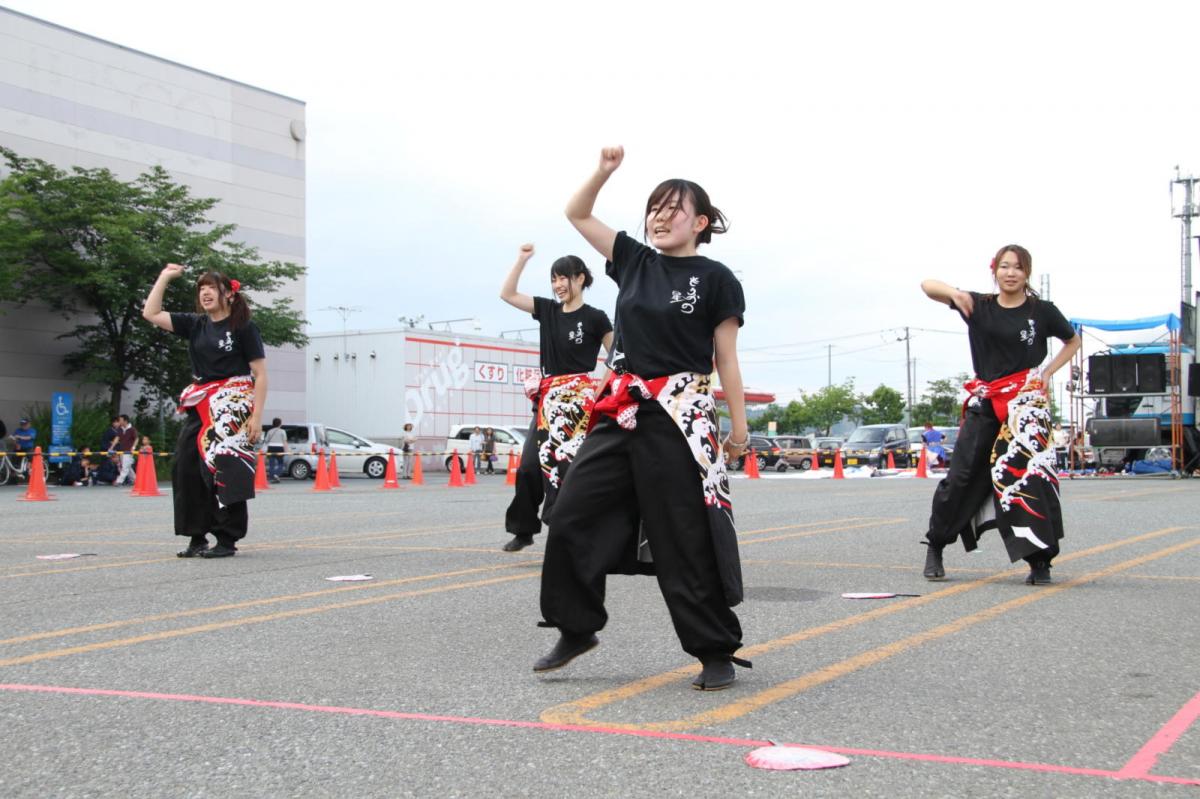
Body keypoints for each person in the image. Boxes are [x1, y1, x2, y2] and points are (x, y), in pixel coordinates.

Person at [535, 146, 750, 691]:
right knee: (570, 511)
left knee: (683, 534)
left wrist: (739, 426)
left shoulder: (716, 277)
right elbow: (577, 213)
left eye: (673, 208)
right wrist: (604, 173)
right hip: (620, 408)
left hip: (679, 415)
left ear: (700, 222)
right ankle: (576, 626)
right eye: (653, 207)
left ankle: (713, 650)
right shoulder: (634, 260)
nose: (658, 216)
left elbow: (725, 358)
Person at [919, 245, 1082, 586]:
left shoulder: (1043, 311)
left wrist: (1048, 373)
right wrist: (955, 294)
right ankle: (936, 544)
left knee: (1029, 479)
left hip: (1025, 407)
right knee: (961, 476)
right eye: (1004, 266)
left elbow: (1072, 341)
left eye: (1018, 268)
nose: (1011, 273)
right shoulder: (978, 305)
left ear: (1027, 273)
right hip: (986, 402)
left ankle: (1040, 561)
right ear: (994, 270)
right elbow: (927, 285)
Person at [143, 263, 267, 559]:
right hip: (201, 405)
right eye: (201, 288)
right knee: (185, 467)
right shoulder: (196, 324)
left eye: (212, 287)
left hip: (233, 406)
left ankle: (227, 539)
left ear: (228, 294)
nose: (206, 292)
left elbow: (260, 374)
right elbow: (151, 313)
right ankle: (196, 536)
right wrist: (164, 277)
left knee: (226, 466)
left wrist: (256, 417)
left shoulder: (243, 328)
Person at [499, 243, 614, 552]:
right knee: (528, 467)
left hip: (578, 406)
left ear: (580, 279)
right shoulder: (547, 310)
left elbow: (618, 354)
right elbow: (507, 294)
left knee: (566, 468)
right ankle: (523, 529)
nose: (557, 285)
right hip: (548, 402)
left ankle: (570, 532)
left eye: (563, 278)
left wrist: (600, 388)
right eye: (553, 279)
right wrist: (521, 259)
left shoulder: (596, 318)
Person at [113, 414, 138, 486]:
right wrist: (111, 447)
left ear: (125, 421)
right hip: (122, 450)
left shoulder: (132, 429)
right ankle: (136, 480)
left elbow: (136, 438)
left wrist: (133, 447)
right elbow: (117, 438)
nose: (119, 421)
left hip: (129, 451)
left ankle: (119, 481)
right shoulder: (120, 429)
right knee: (127, 466)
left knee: (125, 466)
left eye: (121, 420)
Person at [262, 418, 286, 484]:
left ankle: (272, 477)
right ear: (280, 424)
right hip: (279, 448)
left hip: (271, 448)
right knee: (281, 463)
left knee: (271, 463)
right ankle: (276, 474)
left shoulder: (270, 431)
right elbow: (284, 441)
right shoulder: (282, 431)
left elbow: (266, 440)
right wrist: (287, 450)